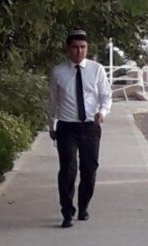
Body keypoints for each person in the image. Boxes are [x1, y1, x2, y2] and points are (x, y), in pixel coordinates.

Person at [48, 29, 112, 228]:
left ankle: (83, 206)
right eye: (75, 47)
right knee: (68, 170)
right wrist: (52, 125)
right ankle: (67, 212)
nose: (79, 51)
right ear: (68, 49)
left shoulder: (97, 69)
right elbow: (53, 101)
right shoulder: (58, 72)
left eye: (83, 47)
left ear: (87, 48)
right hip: (67, 127)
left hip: (90, 126)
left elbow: (105, 96)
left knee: (89, 169)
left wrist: (103, 112)